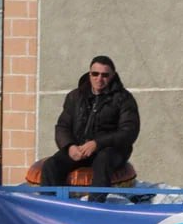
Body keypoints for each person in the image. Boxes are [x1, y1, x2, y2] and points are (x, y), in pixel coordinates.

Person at [39, 55, 140, 203]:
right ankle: (53, 207)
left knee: (103, 161)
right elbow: (62, 126)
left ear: (112, 76)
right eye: (95, 74)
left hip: (111, 149)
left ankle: (94, 207)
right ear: (89, 74)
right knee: (51, 165)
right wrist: (69, 146)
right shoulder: (75, 96)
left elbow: (129, 132)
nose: (99, 79)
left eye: (105, 75)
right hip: (80, 148)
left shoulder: (124, 99)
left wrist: (97, 143)